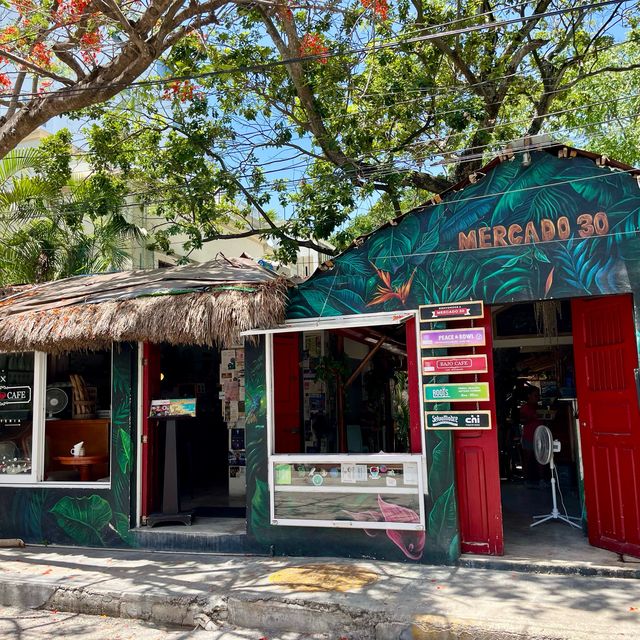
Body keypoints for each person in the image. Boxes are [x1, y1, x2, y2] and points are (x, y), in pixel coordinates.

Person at [519, 385, 546, 487]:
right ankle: (526, 480)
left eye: (538, 395)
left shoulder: (540, 407)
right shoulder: (525, 408)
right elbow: (521, 420)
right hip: (529, 437)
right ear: (529, 396)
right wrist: (532, 417)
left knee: (541, 459)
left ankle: (542, 480)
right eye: (535, 395)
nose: (537, 397)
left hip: (541, 437)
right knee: (527, 459)